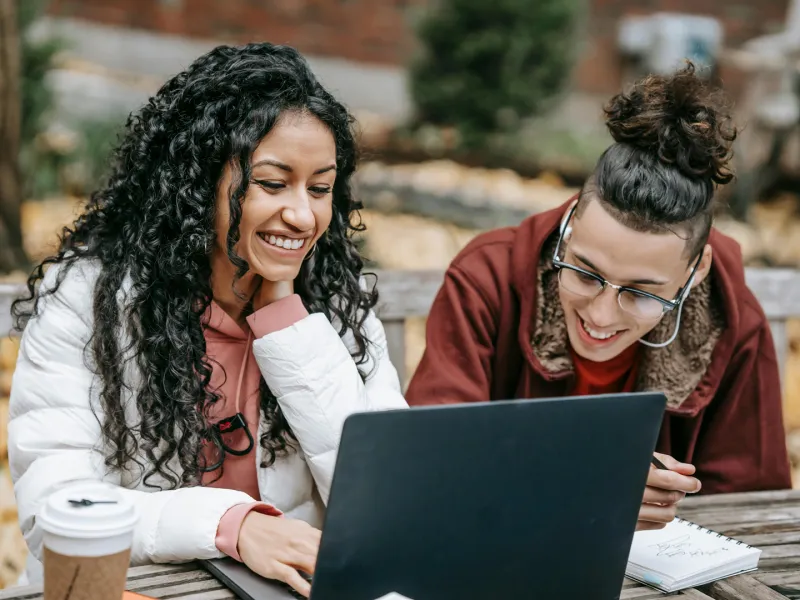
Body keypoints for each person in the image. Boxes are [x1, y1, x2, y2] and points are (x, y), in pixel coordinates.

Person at [8, 43, 406, 596]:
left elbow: (388, 505)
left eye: (320, 188)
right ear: (199, 184)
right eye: (272, 183)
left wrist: (288, 323)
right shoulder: (92, 300)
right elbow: (58, 507)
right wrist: (233, 526)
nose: (302, 214)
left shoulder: (336, 306)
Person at [406, 63, 792, 531]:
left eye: (641, 294)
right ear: (568, 228)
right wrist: (586, 485)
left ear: (696, 273)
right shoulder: (487, 277)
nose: (602, 315)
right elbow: (432, 460)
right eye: (585, 274)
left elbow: (751, 511)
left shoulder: (730, 316)